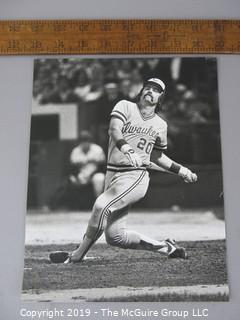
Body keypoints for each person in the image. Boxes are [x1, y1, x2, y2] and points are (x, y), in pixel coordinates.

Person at [50, 78, 197, 264]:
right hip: (113, 174)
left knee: (101, 206)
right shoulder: (125, 106)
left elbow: (156, 157)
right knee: (116, 237)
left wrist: (181, 170)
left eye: (156, 90)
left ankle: (77, 256)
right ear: (141, 91)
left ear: (161, 98)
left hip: (135, 176)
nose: (150, 91)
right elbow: (114, 129)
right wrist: (127, 148)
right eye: (147, 87)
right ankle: (168, 248)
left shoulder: (161, 125)